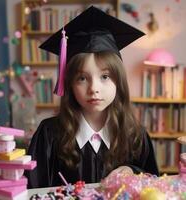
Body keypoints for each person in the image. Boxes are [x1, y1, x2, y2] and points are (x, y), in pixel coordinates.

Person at [25, 6, 159, 189]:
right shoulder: (49, 135)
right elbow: (33, 190)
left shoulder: (135, 136)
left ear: (119, 82)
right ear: (70, 83)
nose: (94, 88)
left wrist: (131, 171)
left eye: (105, 76)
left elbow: (153, 185)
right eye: (82, 78)